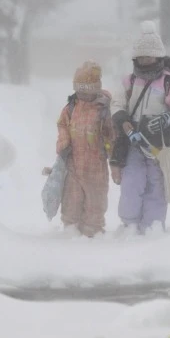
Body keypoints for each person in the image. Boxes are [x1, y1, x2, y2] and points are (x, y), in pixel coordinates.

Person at [110, 21, 170, 234]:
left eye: (149, 57)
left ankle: (153, 225)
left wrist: (169, 119)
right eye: (141, 57)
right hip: (133, 138)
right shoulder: (130, 80)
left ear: (158, 57)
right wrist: (126, 124)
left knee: (156, 184)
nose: (145, 61)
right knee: (132, 181)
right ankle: (130, 223)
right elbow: (117, 104)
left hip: (159, 142)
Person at [56, 61, 116, 238]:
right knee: (71, 200)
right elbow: (62, 125)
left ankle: (93, 231)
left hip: (96, 167)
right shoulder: (71, 107)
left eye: (86, 90)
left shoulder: (103, 109)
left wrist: (113, 153)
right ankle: (70, 229)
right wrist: (64, 143)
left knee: (95, 201)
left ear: (95, 89)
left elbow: (111, 134)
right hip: (73, 164)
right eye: (79, 89)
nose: (82, 94)